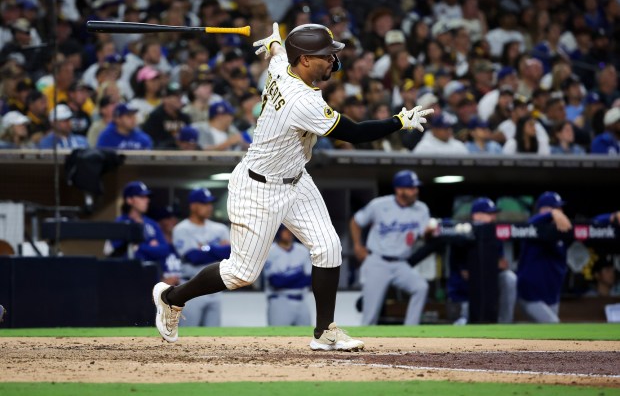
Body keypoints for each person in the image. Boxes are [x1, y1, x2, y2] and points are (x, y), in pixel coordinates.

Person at [152, 22, 433, 350]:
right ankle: (171, 297)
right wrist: (398, 121)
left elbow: (278, 53)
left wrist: (274, 43)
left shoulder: (282, 65)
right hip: (259, 188)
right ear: (304, 60)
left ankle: (325, 331)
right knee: (240, 274)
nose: (332, 60)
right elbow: (355, 133)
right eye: (326, 56)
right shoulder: (303, 101)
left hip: (296, 179)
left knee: (328, 248)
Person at [349, 170, 430, 325]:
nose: (416, 191)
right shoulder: (379, 205)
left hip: (400, 263)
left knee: (421, 287)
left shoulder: (421, 209)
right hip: (378, 261)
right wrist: (357, 245)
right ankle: (365, 342)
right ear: (399, 190)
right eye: (411, 188)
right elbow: (356, 222)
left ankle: (410, 331)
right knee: (370, 314)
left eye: (416, 187)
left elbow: (422, 236)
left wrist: (429, 233)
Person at [447, 197, 517, 325]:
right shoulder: (462, 233)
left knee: (509, 277)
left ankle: (505, 323)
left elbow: (502, 263)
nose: (493, 217)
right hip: (464, 295)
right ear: (477, 216)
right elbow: (464, 272)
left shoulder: (495, 234)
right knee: (462, 323)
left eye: (493, 213)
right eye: (489, 214)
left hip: (488, 288)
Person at [172, 188, 231, 327]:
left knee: (214, 336)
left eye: (210, 203)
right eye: (204, 203)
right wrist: (217, 248)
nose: (209, 207)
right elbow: (194, 257)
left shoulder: (220, 228)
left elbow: (229, 253)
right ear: (193, 206)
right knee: (188, 335)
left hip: (215, 289)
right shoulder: (181, 229)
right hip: (191, 288)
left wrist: (206, 248)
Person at [107, 181, 182, 286]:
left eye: (147, 197)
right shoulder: (120, 223)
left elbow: (164, 250)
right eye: (141, 197)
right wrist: (151, 247)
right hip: (126, 280)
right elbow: (120, 253)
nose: (147, 200)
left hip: (152, 278)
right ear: (129, 200)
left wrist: (139, 247)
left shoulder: (152, 224)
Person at [516, 191, 573, 323]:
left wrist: (612, 217)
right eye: (556, 208)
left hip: (552, 297)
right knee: (553, 325)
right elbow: (529, 223)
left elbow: (592, 224)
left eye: (560, 208)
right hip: (531, 297)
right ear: (544, 209)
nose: (560, 211)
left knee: (545, 336)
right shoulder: (532, 228)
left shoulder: (562, 232)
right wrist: (550, 214)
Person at [264, 225, 312, 326]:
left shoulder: (302, 250)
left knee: (306, 337)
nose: (289, 233)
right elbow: (276, 282)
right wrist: (299, 275)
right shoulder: (270, 252)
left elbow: (308, 279)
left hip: (301, 300)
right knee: (277, 337)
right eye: (285, 230)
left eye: (291, 230)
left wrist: (286, 278)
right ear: (278, 232)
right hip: (279, 301)